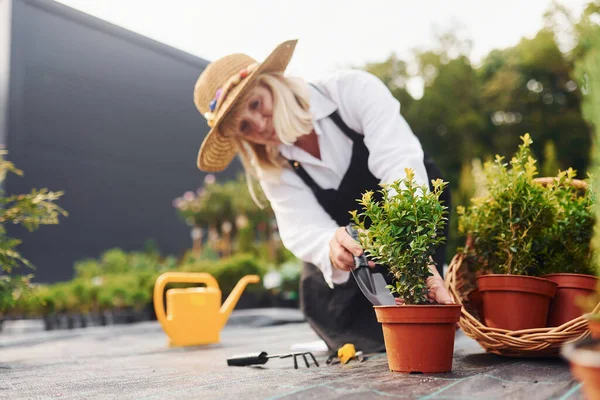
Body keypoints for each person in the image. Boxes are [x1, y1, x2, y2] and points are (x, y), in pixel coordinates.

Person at [193, 39, 454, 353]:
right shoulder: (273, 166)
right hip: (358, 250)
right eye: (245, 127)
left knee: (419, 303)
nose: (260, 125)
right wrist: (332, 247)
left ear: (271, 84)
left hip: (406, 224)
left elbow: (400, 164)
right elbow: (302, 227)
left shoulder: (352, 91)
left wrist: (416, 257)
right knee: (327, 303)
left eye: (256, 104)